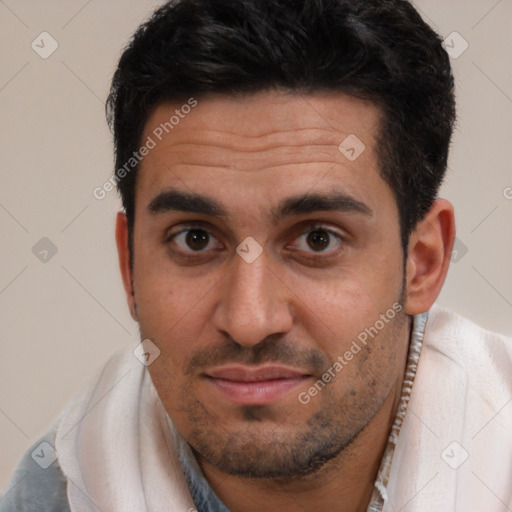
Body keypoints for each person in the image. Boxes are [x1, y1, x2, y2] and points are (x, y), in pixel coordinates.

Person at [2, 0, 511, 511]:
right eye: (195, 239)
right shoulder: (57, 492)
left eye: (318, 239)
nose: (249, 321)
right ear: (130, 266)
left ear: (421, 263)